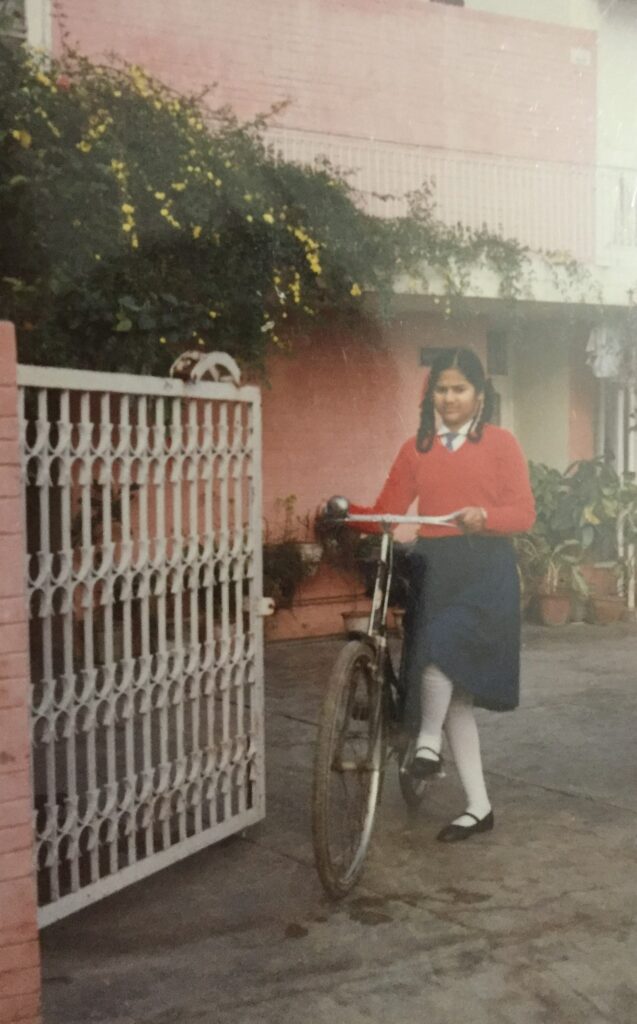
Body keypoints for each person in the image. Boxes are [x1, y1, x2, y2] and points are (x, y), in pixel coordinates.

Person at [345, 347, 535, 843]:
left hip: (485, 570)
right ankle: (479, 807)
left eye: (459, 389)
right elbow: (387, 511)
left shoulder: (501, 444)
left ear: (479, 395)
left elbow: (524, 513)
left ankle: (426, 745)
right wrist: (345, 512)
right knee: (455, 699)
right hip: (434, 568)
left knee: (437, 648)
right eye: (441, 389)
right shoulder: (416, 448)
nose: (449, 398)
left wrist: (484, 517)